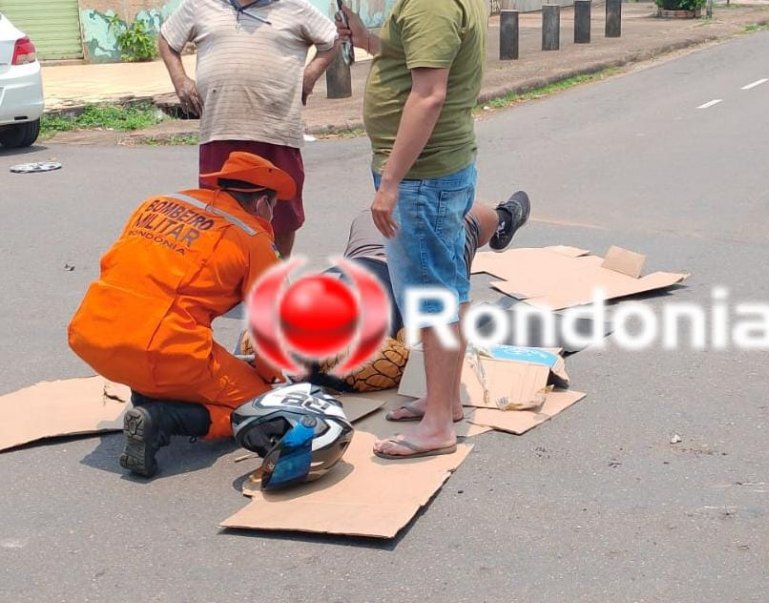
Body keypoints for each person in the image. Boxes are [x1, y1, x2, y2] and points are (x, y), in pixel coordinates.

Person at [67, 152, 296, 479]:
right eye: (273, 208)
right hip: (160, 350)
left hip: (92, 335)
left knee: (175, 351)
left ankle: (152, 395)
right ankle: (162, 419)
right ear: (262, 204)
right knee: (259, 407)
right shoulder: (251, 238)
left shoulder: (156, 203)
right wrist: (271, 379)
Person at [336, 0, 486, 460]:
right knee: (444, 289)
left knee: (432, 295)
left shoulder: (429, 3)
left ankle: (438, 424)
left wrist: (392, 184)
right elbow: (416, 57)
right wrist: (368, 41)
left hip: (421, 179)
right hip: (433, 172)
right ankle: (445, 402)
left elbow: (429, 94)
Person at [238, 191, 531, 397]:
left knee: (423, 215)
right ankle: (504, 217)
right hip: (410, 261)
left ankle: (501, 217)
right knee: (469, 219)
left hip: (372, 255)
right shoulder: (359, 359)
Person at [157, 0, 339, 259]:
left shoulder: (293, 6)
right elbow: (167, 39)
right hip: (220, 130)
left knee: (282, 215)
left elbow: (331, 41)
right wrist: (180, 80)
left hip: (277, 131)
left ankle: (275, 275)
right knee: (219, 213)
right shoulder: (200, 5)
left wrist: (310, 75)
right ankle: (226, 277)